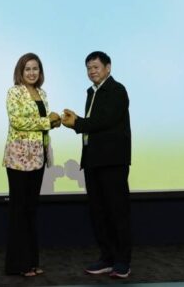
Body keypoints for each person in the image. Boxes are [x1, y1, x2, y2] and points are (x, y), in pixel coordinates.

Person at [62, 51, 132, 279]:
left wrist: (77, 123)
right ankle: (107, 258)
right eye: (88, 68)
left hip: (112, 161)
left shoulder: (117, 90)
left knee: (117, 212)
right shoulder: (91, 92)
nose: (92, 71)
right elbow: (94, 124)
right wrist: (78, 122)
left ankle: (123, 261)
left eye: (96, 67)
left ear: (108, 68)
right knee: (99, 213)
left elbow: (105, 120)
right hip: (93, 160)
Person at [3, 52, 61, 277]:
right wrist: (48, 121)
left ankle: (31, 261)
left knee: (31, 210)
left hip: (38, 157)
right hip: (19, 159)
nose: (32, 73)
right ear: (20, 71)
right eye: (27, 69)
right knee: (19, 211)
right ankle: (17, 265)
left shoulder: (42, 93)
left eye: (35, 68)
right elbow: (17, 121)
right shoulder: (14, 92)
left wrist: (54, 123)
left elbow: (41, 125)